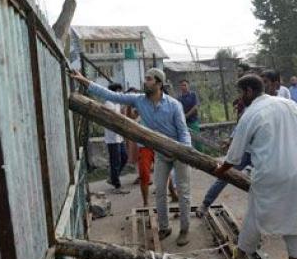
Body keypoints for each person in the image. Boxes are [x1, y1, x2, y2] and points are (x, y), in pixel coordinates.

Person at [71, 68, 192, 246]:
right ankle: (165, 227)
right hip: (161, 153)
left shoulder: (174, 105)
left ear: (159, 83)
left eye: (149, 79)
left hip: (179, 152)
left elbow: (183, 132)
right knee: (159, 192)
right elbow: (111, 95)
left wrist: (186, 153)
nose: (145, 82)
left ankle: (184, 229)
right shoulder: (139, 100)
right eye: (145, 79)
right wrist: (84, 81)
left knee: (183, 192)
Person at [213, 74, 297, 259]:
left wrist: (219, 170)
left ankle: (240, 253)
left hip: (268, 175)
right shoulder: (289, 104)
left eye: (241, 93)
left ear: (249, 91)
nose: (240, 98)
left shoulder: (250, 114)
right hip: (296, 172)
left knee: (255, 216)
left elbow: (233, 156)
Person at [103, 84, 130, 194]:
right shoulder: (108, 103)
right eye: (119, 91)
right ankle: (117, 185)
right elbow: (114, 118)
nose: (120, 94)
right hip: (112, 137)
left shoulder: (117, 103)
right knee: (116, 161)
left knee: (124, 157)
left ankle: (113, 178)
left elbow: (122, 116)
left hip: (119, 136)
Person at [177, 80, 201, 150]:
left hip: (193, 122)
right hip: (184, 123)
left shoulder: (193, 95)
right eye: (182, 85)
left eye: (185, 85)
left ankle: (201, 156)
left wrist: (186, 115)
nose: (184, 87)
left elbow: (196, 107)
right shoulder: (179, 98)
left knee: (198, 141)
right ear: (180, 87)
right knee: (186, 142)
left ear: (188, 86)